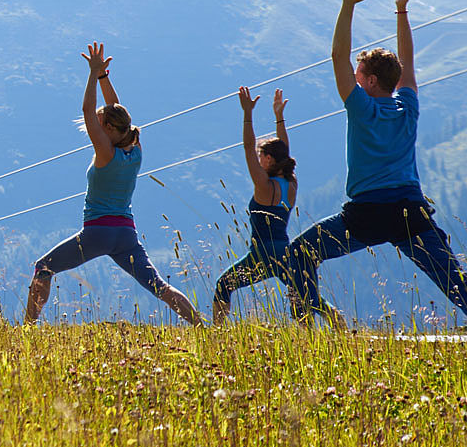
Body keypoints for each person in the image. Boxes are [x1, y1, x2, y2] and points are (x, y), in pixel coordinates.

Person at [284, 0, 467, 332]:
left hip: (365, 215)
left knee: (299, 254)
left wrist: (347, 6)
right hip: (410, 213)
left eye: (359, 73)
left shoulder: (361, 107)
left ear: (370, 82)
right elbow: (408, 63)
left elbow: (337, 54)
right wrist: (401, 11)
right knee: (457, 284)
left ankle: (308, 328)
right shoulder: (407, 107)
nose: (353, 77)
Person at [24, 43, 203, 325]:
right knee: (159, 286)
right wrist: (104, 76)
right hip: (126, 235)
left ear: (108, 129)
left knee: (43, 267)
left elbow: (86, 110)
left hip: (98, 232)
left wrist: (92, 74)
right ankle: (203, 328)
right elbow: (115, 111)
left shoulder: (105, 153)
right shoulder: (135, 149)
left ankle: (26, 329)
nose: (96, 117)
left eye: (100, 119)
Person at [211, 87, 296, 323]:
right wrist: (279, 117)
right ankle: (337, 322)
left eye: (262, 157)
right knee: (306, 294)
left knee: (223, 286)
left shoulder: (264, 186)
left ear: (268, 159)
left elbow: (249, 147)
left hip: (261, 254)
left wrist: (247, 115)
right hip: (284, 250)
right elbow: (285, 151)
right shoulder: (291, 184)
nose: (258, 160)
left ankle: (217, 334)